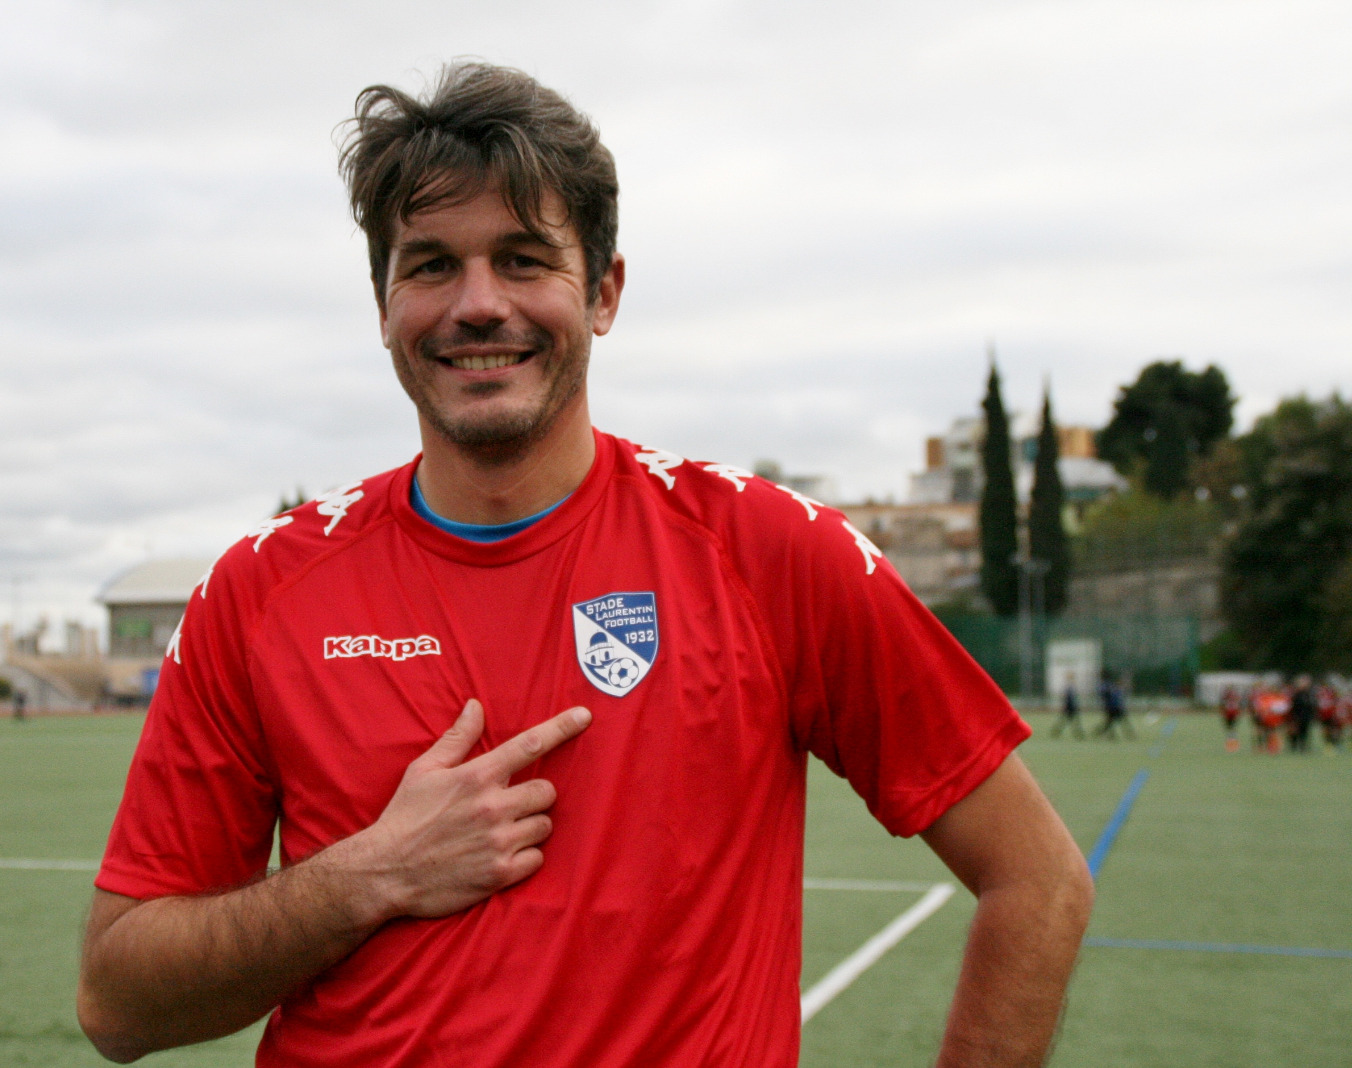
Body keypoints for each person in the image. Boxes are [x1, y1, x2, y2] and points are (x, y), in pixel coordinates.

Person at [76, 62, 1093, 1068]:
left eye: (523, 260)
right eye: (429, 264)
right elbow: (118, 1005)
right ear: (383, 304)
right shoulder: (259, 591)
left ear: (602, 291)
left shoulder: (767, 551)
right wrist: (365, 877)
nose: (477, 305)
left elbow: (1037, 880)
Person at [1052, 673, 1085, 738]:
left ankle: (1056, 731)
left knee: (1066, 721)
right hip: (1070, 707)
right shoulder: (1069, 687)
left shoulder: (1070, 687)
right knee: (1072, 721)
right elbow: (1068, 698)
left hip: (1070, 707)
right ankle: (1078, 734)